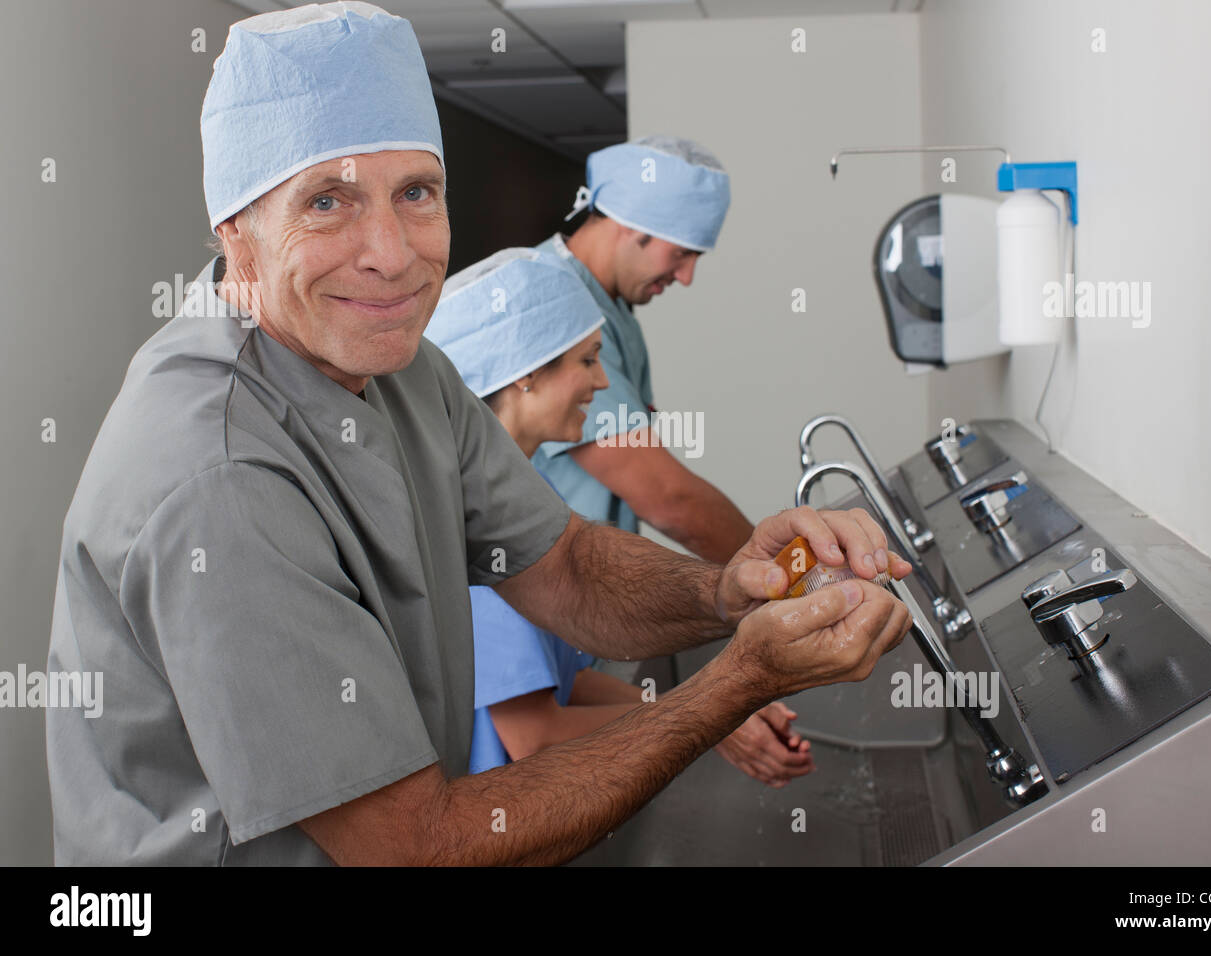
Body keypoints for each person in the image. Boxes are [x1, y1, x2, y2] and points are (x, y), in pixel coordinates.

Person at [45, 1, 912, 866]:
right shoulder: (219, 475)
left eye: (416, 193)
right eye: (328, 201)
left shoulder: (404, 372)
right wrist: (738, 684)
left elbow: (563, 563)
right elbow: (410, 850)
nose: (391, 252)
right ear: (235, 231)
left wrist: (730, 589)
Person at [428, 249, 813, 787]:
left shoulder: (526, 498)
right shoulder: (476, 526)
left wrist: (719, 708)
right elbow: (533, 735)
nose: (604, 382)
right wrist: (715, 716)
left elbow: (568, 684)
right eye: (588, 360)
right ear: (526, 375)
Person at [531, 137, 753, 563]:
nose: (686, 276)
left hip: (587, 583)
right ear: (630, 227)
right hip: (530, 599)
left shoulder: (614, 317)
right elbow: (668, 499)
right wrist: (791, 573)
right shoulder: (556, 303)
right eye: (682, 253)